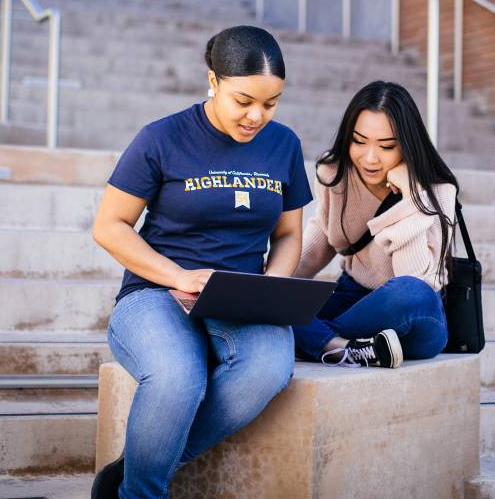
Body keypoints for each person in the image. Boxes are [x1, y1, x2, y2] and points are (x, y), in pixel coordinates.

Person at [91, 25, 312, 499]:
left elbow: (290, 233)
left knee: (268, 370)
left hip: (241, 298)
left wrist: (272, 287)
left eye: (270, 104)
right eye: (243, 100)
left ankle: (138, 473)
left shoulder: (284, 145)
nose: (256, 116)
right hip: (155, 293)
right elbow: (109, 226)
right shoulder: (161, 138)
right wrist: (179, 277)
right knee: (176, 377)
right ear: (212, 81)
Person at [293, 80, 458, 368]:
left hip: (416, 314)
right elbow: (321, 236)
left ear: (407, 145)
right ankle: (347, 347)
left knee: (409, 292)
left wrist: (411, 197)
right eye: (359, 141)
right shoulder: (337, 174)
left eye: (386, 146)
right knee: (274, 305)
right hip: (353, 297)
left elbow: (414, 278)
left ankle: (317, 339)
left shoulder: (437, 190)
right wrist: (271, 283)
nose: (369, 158)